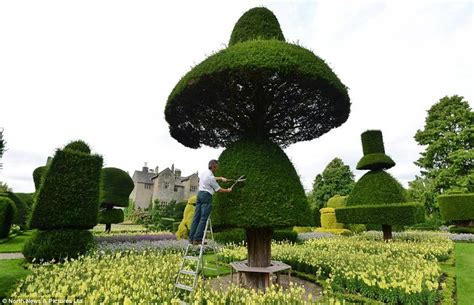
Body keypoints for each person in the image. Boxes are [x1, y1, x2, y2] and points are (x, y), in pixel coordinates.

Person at [189, 159, 232, 245]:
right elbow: (218, 190)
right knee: (203, 218)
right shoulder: (211, 177)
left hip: (199, 195)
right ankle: (197, 239)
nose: (217, 168)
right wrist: (228, 190)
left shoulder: (204, 173)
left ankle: (191, 238)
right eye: (217, 167)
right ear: (213, 166)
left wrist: (220, 178)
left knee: (196, 218)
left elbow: (212, 178)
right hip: (206, 196)